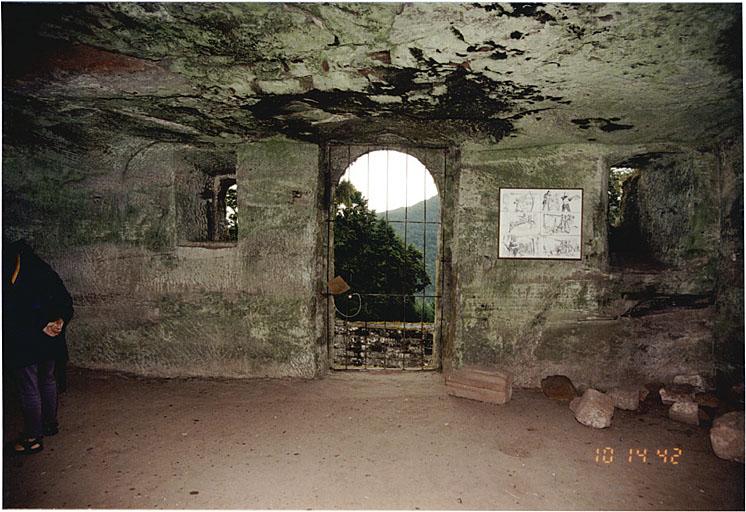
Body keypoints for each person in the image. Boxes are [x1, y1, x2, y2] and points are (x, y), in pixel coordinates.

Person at [3, 239, 73, 455]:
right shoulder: (41, 267)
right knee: (47, 379)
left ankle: (33, 437)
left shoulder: (11, 271)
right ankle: (49, 424)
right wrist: (59, 321)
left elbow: (13, 307)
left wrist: (41, 324)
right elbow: (63, 298)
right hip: (50, 335)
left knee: (29, 388)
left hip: (26, 338)